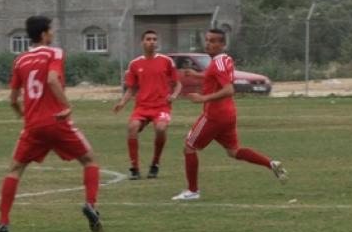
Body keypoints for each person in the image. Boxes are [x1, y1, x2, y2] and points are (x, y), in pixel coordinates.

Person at [0, 15, 103, 232]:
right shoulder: (55, 53)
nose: (52, 34)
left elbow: (13, 100)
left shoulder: (20, 60)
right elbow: (53, 79)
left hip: (33, 126)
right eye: (51, 30)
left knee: (15, 170)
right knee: (89, 160)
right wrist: (67, 106)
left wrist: (25, 117)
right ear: (44, 34)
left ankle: (3, 221)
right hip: (57, 121)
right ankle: (91, 204)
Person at [172, 28, 288, 201]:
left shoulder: (217, 63)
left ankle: (192, 191)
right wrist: (198, 75)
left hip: (214, 115)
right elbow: (214, 76)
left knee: (189, 147)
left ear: (222, 44)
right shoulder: (224, 60)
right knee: (233, 151)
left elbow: (229, 89)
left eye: (212, 41)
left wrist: (204, 97)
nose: (208, 44)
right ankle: (270, 163)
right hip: (228, 114)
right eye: (207, 40)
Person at [113, 30, 182, 180]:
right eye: (149, 39)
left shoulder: (166, 61)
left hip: (161, 106)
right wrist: (122, 103)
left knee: (161, 128)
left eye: (155, 39)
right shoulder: (135, 64)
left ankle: (155, 164)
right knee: (132, 128)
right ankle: (134, 168)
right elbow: (131, 89)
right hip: (142, 107)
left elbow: (178, 84)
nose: (152, 42)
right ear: (142, 42)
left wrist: (174, 95)